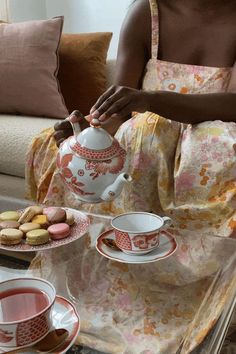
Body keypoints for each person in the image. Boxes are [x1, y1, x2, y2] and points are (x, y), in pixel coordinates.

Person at [26, 0, 236, 352]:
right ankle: (97, 297)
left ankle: (208, 309)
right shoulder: (147, 13)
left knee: (194, 147)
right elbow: (119, 111)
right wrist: (84, 129)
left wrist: (152, 101)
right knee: (77, 146)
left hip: (211, 141)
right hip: (140, 137)